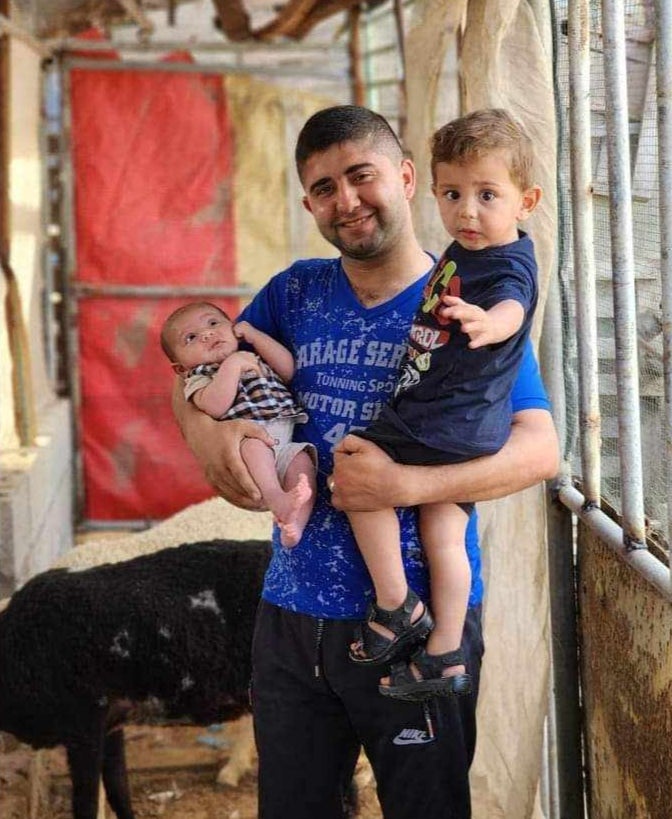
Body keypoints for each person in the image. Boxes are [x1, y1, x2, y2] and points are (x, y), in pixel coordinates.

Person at [173, 105, 558, 819]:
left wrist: (407, 483)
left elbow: (540, 449)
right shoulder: (293, 292)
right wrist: (213, 441)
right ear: (309, 203)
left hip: (418, 625)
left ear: (408, 178)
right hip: (291, 619)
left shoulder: (463, 296)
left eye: (361, 175)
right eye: (323, 187)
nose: (345, 199)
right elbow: (192, 371)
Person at [345, 109, 542, 702]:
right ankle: (445, 654)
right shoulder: (463, 250)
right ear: (431, 190)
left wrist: (491, 323)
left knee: (357, 468)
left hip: (442, 421)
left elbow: (512, 303)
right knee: (444, 535)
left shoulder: (506, 263)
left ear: (525, 200)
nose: (468, 211)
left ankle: (396, 603)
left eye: (488, 195)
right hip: (467, 426)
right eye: (453, 194)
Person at [161, 301, 316, 547]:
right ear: (180, 368)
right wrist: (232, 367)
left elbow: (288, 371)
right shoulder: (200, 377)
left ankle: (294, 524)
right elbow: (215, 405)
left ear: (233, 327)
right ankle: (276, 498)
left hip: (285, 438)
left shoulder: (251, 355)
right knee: (254, 446)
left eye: (213, 323)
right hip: (250, 440)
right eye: (191, 337)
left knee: (303, 462)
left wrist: (256, 338)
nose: (207, 334)